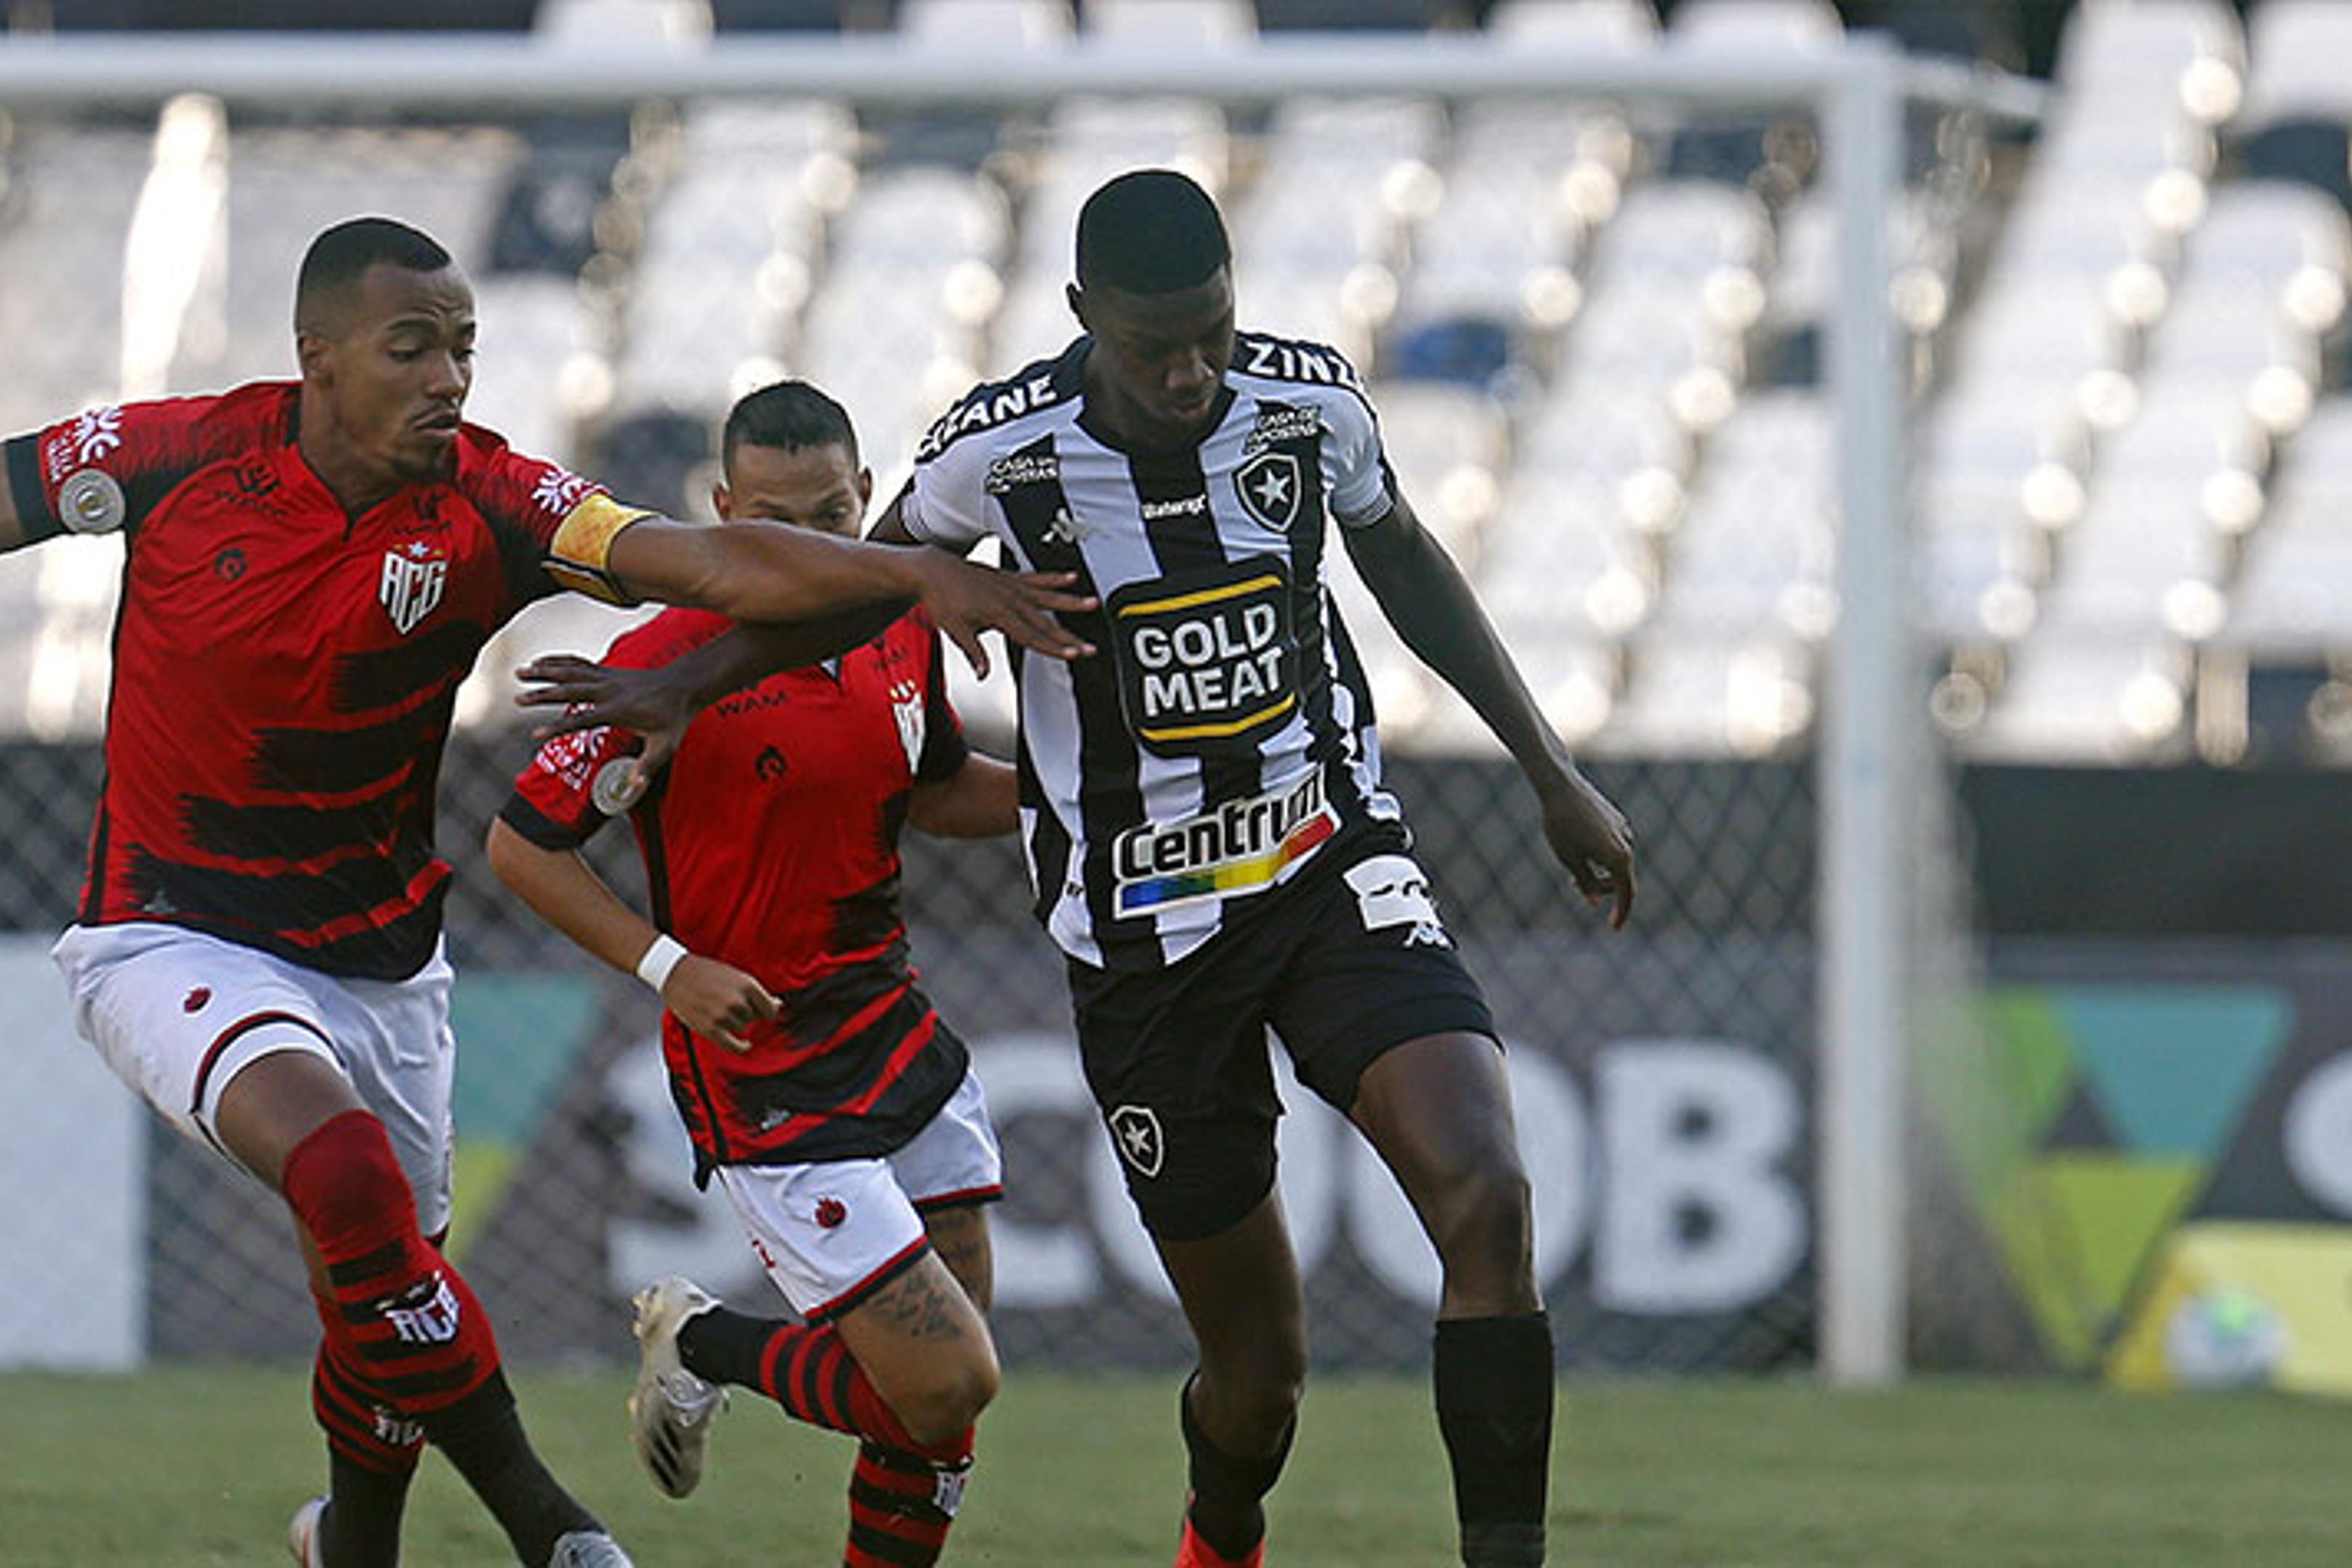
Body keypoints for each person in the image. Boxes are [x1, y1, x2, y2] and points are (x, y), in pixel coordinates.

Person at [0, 217, 1092, 1568]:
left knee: (384, 1310)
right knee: (345, 1178)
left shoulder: (500, 505)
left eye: (465, 349)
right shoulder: (176, 455)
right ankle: (551, 1526)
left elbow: (706, 563)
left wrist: (916, 572)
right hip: (170, 926)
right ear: (317, 357)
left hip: (384, 967)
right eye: (413, 349)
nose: (451, 378)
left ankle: (356, 1548)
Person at [518, 170, 1638, 1568]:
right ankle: (1217, 1536)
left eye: (1213, 335)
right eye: (1154, 343)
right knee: (1259, 1377)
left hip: (1326, 863)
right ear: (1080, 316)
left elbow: (1404, 560)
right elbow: (859, 597)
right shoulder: (1000, 453)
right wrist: (689, 686)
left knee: (1489, 1198)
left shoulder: (1309, 406)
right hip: (1147, 944)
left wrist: (1549, 767)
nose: (1189, 373)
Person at [488, 379, 1013, 1567]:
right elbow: (521, 842)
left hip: (894, 1027)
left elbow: (932, 786)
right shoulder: (666, 658)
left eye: (831, 513)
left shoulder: (894, 620)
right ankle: (706, 1342)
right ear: (722, 512)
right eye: (771, 517)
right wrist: (668, 965)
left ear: (868, 496)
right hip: (765, 1067)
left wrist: (1061, 803)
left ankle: (714, 1351)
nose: (806, 543)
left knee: (943, 1409)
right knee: (946, 1386)